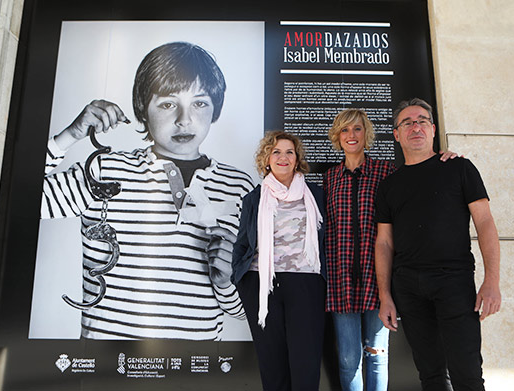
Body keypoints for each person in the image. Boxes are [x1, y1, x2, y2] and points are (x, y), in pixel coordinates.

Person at [41, 41, 254, 340]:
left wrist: (226, 282)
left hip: (196, 371)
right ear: (143, 108)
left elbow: (247, 310)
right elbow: (14, 199)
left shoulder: (240, 188)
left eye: (199, 103)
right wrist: (69, 136)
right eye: (168, 104)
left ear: (215, 107)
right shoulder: (104, 171)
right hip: (106, 368)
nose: (184, 119)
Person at [324, 108, 459, 391]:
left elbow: (419, 181)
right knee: (349, 359)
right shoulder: (330, 179)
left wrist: (447, 160)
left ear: (366, 134)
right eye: (345, 130)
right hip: (341, 279)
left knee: (377, 354)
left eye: (357, 129)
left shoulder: (386, 171)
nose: (352, 135)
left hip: (379, 279)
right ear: (337, 136)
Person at [375, 98, 501, 390]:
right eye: (407, 122)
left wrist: (491, 281)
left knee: (467, 372)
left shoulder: (460, 168)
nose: (415, 126)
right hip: (407, 286)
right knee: (430, 375)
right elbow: (384, 242)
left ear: (432, 129)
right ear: (396, 134)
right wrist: (385, 295)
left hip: (453, 282)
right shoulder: (389, 186)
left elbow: (485, 223)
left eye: (421, 121)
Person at [232, 131, 326, 391]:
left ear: (297, 159)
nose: (283, 157)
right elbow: (242, 242)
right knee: (272, 363)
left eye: (289, 152)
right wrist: (240, 279)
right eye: (276, 152)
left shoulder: (316, 195)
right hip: (261, 284)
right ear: (267, 159)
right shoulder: (255, 198)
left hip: (307, 284)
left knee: (305, 362)